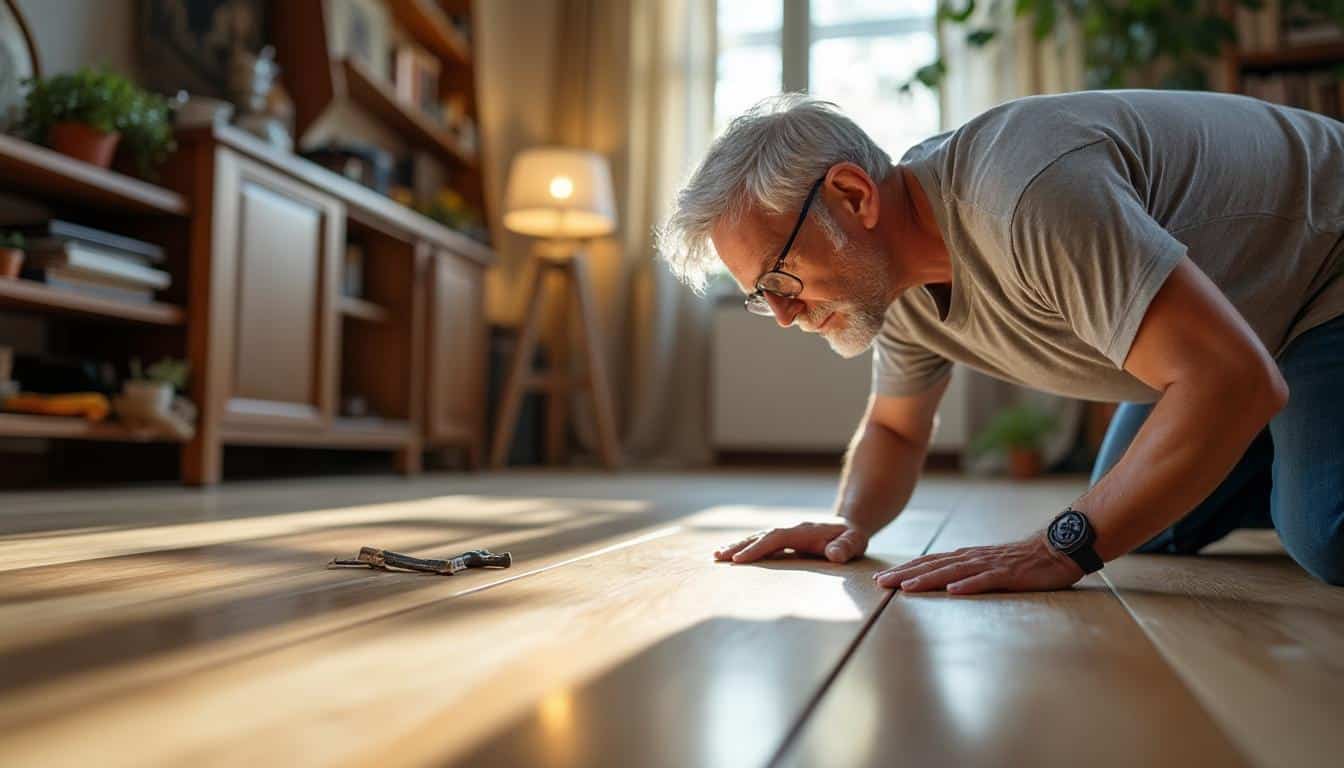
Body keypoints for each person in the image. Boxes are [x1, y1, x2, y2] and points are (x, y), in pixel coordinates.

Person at [657, 91, 1344, 591]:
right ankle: (1286, 440)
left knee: (1325, 533)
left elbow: (1231, 380)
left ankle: (1292, 459)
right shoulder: (891, 283)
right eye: (759, 296)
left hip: (1323, 268)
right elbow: (896, 431)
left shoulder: (1024, 195)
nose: (782, 315)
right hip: (1244, 323)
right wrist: (848, 524)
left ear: (853, 196)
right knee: (1145, 516)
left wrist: (1053, 550)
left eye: (781, 278)